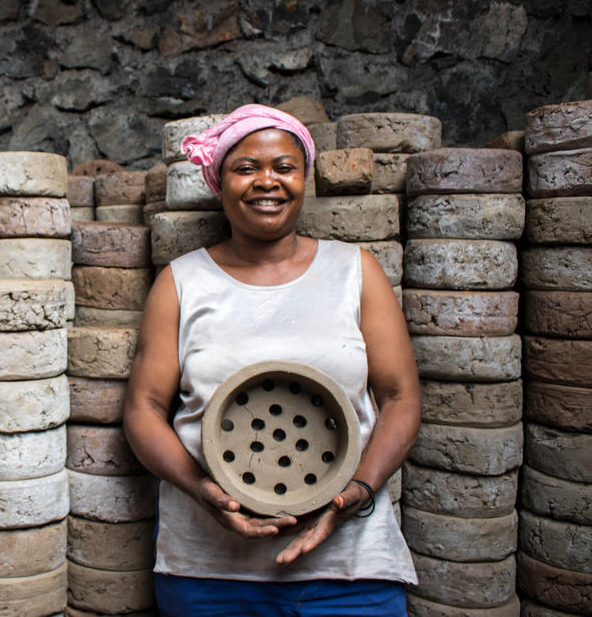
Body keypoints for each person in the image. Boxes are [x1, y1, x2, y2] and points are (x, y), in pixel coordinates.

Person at [123, 104, 420, 616]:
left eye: (284, 167)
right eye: (246, 168)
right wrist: (200, 490)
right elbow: (143, 410)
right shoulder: (181, 282)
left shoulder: (354, 271)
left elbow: (401, 399)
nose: (267, 181)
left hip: (348, 567)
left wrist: (352, 495)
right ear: (220, 181)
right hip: (209, 571)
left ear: (304, 178)